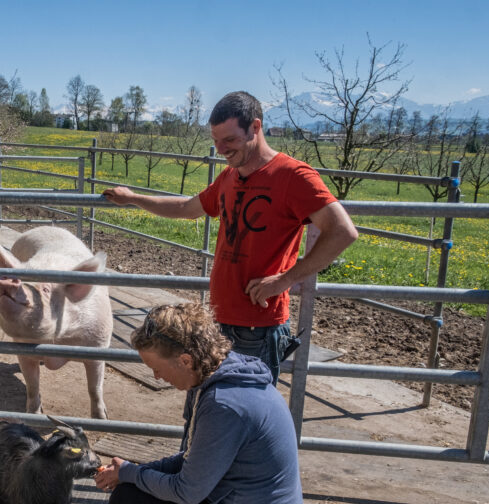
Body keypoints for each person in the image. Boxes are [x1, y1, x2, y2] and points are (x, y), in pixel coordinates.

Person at [93, 302, 317, 504]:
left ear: (184, 360)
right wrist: (133, 469)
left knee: (127, 502)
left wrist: (129, 475)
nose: (156, 377)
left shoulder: (224, 404)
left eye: (157, 368)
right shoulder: (231, 375)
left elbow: (187, 491)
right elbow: (190, 460)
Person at [103, 91, 358, 382]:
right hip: (219, 319)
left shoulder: (293, 176)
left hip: (257, 328)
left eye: (230, 140)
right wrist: (133, 198)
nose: (221, 148)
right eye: (215, 140)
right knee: (208, 402)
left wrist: (286, 279)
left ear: (256, 128)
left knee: (242, 412)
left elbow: (343, 231)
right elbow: (187, 208)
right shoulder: (229, 177)